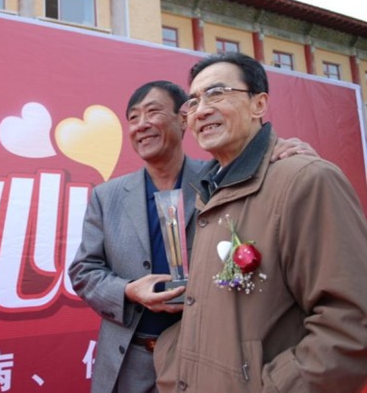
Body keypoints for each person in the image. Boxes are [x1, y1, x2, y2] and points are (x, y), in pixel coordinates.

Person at [68, 80, 318, 393]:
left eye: (153, 112)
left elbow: (273, 177)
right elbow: (84, 271)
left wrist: (291, 155)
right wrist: (129, 290)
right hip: (128, 361)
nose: (141, 124)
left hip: (205, 358)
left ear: (183, 119)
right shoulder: (107, 196)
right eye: (133, 118)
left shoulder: (225, 179)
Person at [154, 52, 367, 393]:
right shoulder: (207, 191)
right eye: (193, 102)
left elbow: (351, 323)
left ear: (259, 104)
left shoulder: (306, 180)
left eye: (216, 93)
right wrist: (171, 361)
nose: (201, 110)